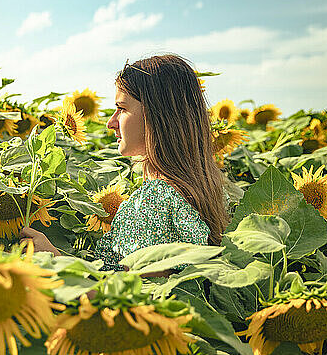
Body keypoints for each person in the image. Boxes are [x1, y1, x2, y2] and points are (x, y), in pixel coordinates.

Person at [20, 54, 229, 271]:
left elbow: (132, 299)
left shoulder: (153, 201)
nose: (111, 122)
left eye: (122, 108)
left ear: (158, 115)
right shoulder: (210, 188)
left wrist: (54, 261)